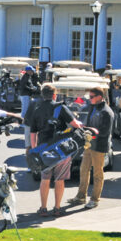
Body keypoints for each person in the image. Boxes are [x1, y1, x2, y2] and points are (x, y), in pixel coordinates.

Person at [28, 83, 83, 217]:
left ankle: (43, 208)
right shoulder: (61, 107)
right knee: (60, 179)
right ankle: (57, 208)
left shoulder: (37, 109)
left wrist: (34, 149)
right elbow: (75, 124)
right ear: (55, 95)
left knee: (45, 179)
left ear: (42, 95)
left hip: (43, 150)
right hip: (61, 149)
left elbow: (33, 133)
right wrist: (80, 124)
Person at [68, 86, 115, 209]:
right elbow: (89, 123)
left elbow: (105, 132)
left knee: (98, 173)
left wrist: (88, 131)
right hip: (89, 145)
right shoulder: (93, 107)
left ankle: (95, 199)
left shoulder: (106, 111)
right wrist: (84, 128)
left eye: (92, 97)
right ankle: (81, 196)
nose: (89, 99)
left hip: (98, 146)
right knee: (83, 170)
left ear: (99, 97)